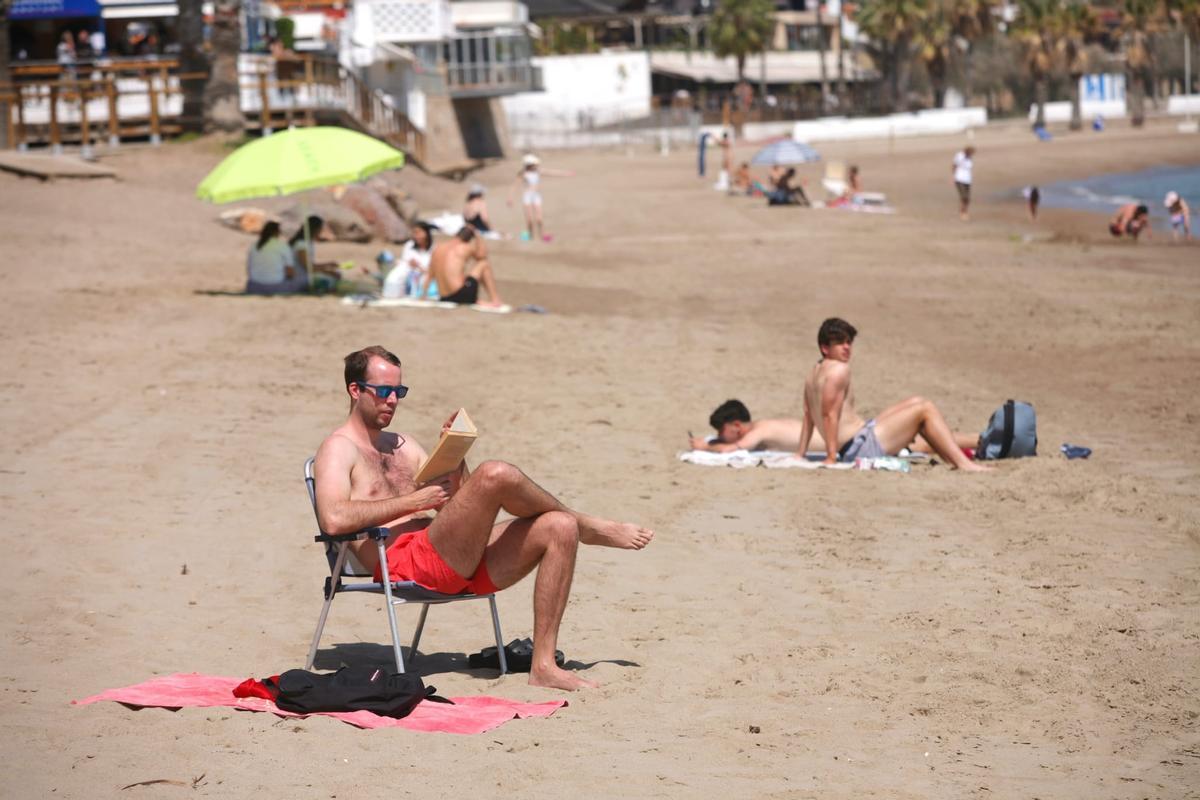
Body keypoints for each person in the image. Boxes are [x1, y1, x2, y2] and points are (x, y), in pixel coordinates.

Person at [313, 346, 654, 690]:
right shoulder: (338, 448)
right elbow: (333, 519)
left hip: (452, 556)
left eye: (399, 392)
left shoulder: (403, 444)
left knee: (558, 527)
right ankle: (590, 527)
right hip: (403, 563)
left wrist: (454, 458)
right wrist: (413, 500)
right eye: (384, 391)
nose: (393, 401)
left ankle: (544, 666)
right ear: (355, 390)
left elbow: (453, 507)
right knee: (495, 474)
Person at [796, 318, 990, 472]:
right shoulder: (839, 370)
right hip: (859, 448)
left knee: (917, 401)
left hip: (858, 438)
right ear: (825, 348)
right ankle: (964, 464)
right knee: (925, 409)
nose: (847, 347)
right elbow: (829, 415)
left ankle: (953, 458)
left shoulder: (813, 373)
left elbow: (808, 415)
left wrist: (801, 454)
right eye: (839, 343)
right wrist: (831, 457)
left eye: (849, 342)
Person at [689, 399, 827, 453]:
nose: (719, 436)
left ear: (737, 425)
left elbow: (730, 450)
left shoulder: (759, 431)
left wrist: (705, 446)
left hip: (835, 444)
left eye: (721, 430)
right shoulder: (761, 424)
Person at [425, 224, 504, 306]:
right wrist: (478, 236)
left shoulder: (438, 248)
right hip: (460, 295)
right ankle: (495, 300)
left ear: (456, 234)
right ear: (469, 239)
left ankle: (476, 300)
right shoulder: (464, 247)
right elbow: (482, 255)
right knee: (483, 264)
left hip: (444, 297)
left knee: (462, 276)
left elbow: (430, 274)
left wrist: (423, 294)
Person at [509, 154, 570, 242]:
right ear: (529, 164)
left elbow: (552, 172)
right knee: (529, 219)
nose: (537, 165)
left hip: (536, 196)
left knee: (539, 218)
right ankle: (529, 234)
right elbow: (514, 186)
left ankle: (543, 234)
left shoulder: (538, 171)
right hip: (527, 197)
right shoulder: (523, 173)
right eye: (535, 164)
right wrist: (510, 198)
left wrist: (565, 173)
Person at [245, 221, 306, 294]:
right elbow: (290, 272)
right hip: (275, 287)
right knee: (306, 280)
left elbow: (249, 269)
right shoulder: (282, 246)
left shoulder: (254, 246)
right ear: (277, 232)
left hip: (253, 287)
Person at [290, 216, 340, 289]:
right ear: (316, 229)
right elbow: (308, 268)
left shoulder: (308, 243)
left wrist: (328, 264)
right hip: (301, 277)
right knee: (331, 279)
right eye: (321, 228)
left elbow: (310, 265)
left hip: (306, 275)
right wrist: (327, 271)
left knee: (336, 274)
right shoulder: (301, 245)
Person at [953, 146, 975, 221]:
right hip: (959, 179)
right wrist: (954, 175)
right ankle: (963, 212)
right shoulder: (959, 156)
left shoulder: (970, 159)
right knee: (964, 197)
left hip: (967, 180)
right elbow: (954, 165)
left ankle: (964, 211)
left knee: (967, 198)